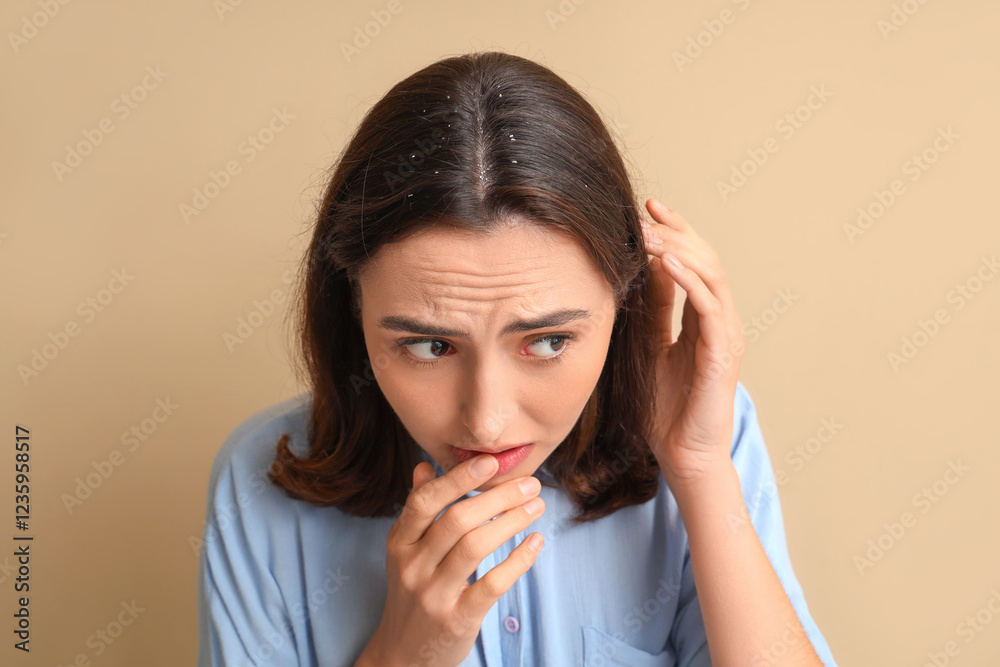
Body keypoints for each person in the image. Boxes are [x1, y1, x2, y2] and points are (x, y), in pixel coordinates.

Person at [196, 50, 838, 666]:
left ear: (623, 306)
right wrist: (403, 655)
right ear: (352, 310)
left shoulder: (702, 431)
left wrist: (699, 470)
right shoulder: (260, 480)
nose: (487, 423)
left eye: (549, 342)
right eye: (429, 346)